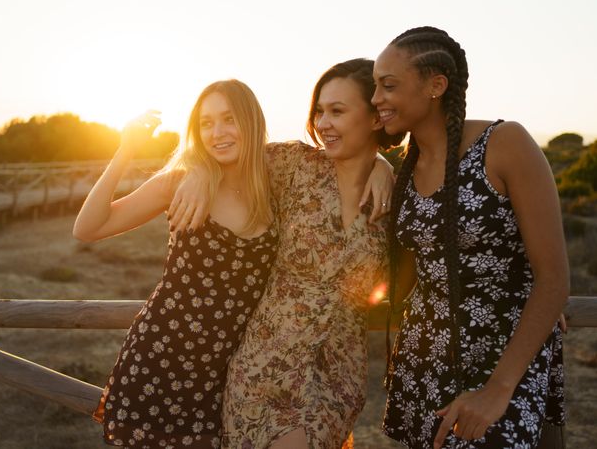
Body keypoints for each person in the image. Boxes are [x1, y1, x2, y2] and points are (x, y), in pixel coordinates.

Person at [170, 58, 404, 449]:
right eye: (319, 111)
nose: (323, 122)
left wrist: (383, 165)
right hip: (265, 368)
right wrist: (196, 172)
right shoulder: (294, 166)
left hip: (337, 378)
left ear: (376, 118)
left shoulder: (394, 197)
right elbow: (224, 149)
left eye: (338, 111)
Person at [372, 26, 568, 448]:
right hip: (424, 357)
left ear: (435, 86)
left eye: (388, 85)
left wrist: (498, 390)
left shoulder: (504, 143)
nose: (376, 99)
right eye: (374, 87)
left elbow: (553, 278)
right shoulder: (402, 168)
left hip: (503, 359)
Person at [73, 79, 280, 448]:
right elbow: (88, 228)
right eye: (206, 123)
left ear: (252, 121)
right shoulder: (180, 182)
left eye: (229, 119)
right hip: (159, 363)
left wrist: (379, 162)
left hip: (227, 377)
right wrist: (125, 151)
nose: (217, 133)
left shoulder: (277, 185)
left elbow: (339, 163)